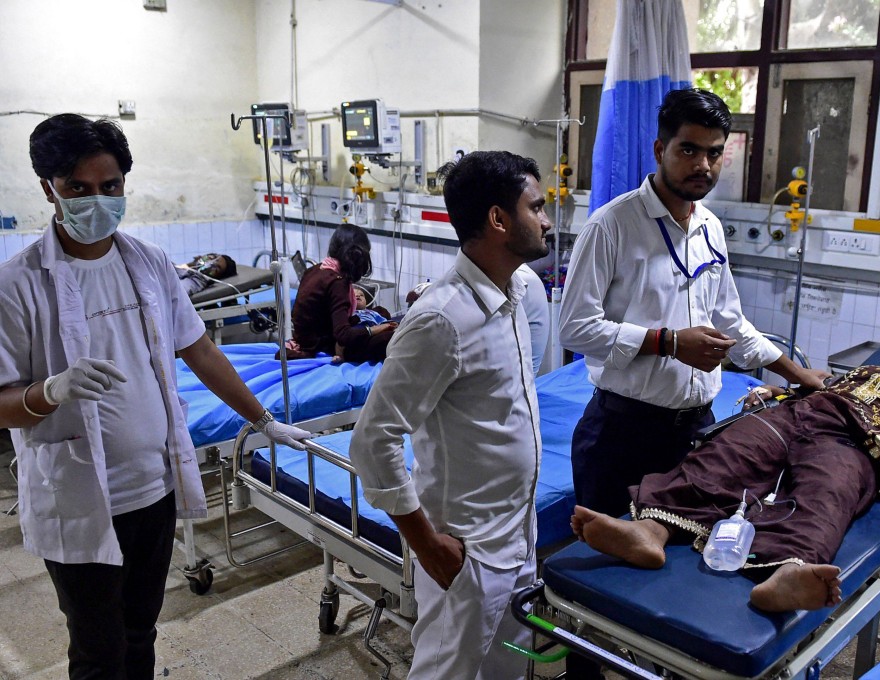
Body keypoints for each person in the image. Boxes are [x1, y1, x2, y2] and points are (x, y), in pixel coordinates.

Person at [0, 114, 311, 680]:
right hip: (80, 497)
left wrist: (264, 420)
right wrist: (50, 391)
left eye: (111, 186)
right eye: (79, 189)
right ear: (48, 189)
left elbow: (202, 352)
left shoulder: (147, 264)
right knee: (98, 648)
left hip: (152, 487)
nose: (99, 200)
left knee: (141, 631)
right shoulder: (17, 285)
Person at [559, 88, 830, 521]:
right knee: (605, 568)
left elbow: (730, 322)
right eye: (689, 150)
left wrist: (797, 374)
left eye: (714, 153)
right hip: (622, 433)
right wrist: (667, 343)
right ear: (660, 149)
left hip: (695, 430)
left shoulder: (710, 227)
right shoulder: (612, 226)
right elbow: (575, 328)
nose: (703, 165)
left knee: (677, 554)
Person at [570, 365, 880, 613]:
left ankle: (790, 572)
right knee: (725, 456)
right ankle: (651, 532)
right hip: (798, 416)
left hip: (854, 448)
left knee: (828, 496)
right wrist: (780, 389)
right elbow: (821, 383)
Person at [349, 150, 551, 679]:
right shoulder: (442, 319)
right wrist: (428, 545)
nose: (548, 220)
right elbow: (373, 442)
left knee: (505, 671)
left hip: (517, 538)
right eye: (538, 206)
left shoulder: (517, 294)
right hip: (467, 553)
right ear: (498, 219)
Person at [283, 223, 397, 362]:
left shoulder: (317, 269)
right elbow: (343, 335)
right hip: (324, 344)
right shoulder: (337, 282)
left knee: (380, 311)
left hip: (312, 334)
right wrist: (375, 330)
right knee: (388, 339)